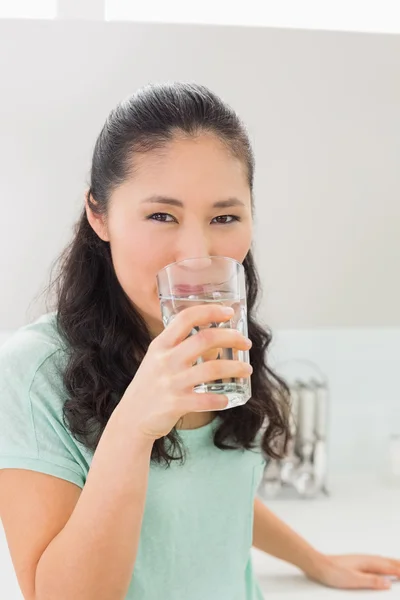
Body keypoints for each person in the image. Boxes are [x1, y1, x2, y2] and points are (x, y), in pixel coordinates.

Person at [0, 82, 398, 600]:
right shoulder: (32, 373)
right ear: (99, 215)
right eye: (161, 216)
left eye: (224, 217)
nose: (196, 251)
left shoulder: (224, 339)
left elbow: (210, 490)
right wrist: (134, 426)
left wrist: (314, 561)